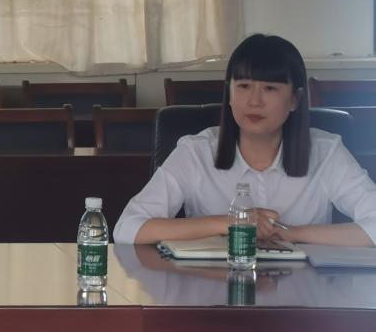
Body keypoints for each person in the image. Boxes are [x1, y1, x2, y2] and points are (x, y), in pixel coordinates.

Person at [113, 34, 376, 247]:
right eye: (243, 86)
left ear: (295, 99)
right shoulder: (196, 151)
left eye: (270, 88)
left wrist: (292, 233)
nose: (254, 101)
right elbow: (127, 228)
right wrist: (229, 222)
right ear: (229, 94)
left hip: (307, 293)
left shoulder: (326, 152)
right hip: (212, 290)